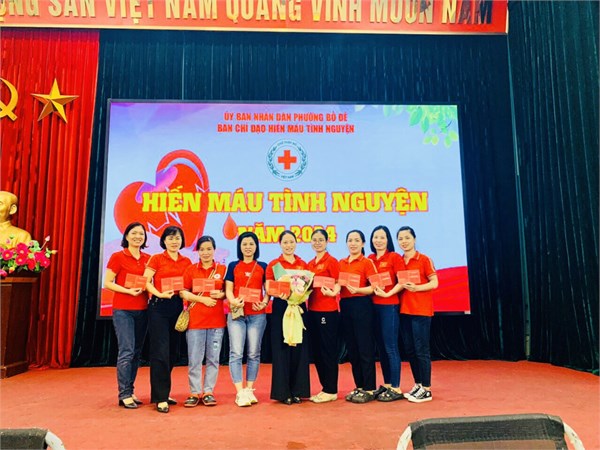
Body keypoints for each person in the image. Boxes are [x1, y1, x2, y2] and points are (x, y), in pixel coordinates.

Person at [143, 226, 192, 413]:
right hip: (159, 307)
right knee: (160, 352)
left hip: (177, 307)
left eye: (177, 238)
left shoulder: (186, 261)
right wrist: (159, 294)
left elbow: (188, 285)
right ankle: (161, 397)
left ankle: (162, 391)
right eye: (170, 238)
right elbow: (146, 281)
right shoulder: (156, 258)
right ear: (163, 240)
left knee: (173, 353)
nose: (174, 241)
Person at [103, 222, 151, 409]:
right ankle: (124, 394)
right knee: (127, 351)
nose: (138, 236)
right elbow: (108, 283)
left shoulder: (148, 259)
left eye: (141, 234)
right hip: (123, 310)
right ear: (126, 236)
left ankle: (130, 390)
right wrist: (128, 291)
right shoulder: (118, 256)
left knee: (136, 352)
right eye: (134, 233)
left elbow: (149, 282)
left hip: (143, 310)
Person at [180, 236, 227, 407]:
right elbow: (183, 292)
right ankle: (194, 392)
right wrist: (202, 300)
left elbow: (228, 292)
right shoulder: (191, 270)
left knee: (213, 359)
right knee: (195, 359)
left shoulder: (222, 269)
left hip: (217, 322)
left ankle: (208, 392)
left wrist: (221, 294)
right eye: (202, 249)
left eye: (209, 249)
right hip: (196, 321)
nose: (206, 252)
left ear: (214, 250)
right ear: (197, 251)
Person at [224, 231, 269, 407]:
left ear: (256, 246)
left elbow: (267, 291)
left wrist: (264, 302)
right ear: (239, 246)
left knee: (253, 353)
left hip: (257, 315)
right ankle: (239, 392)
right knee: (236, 353)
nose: (248, 247)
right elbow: (229, 289)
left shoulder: (263, 266)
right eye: (244, 244)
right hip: (237, 314)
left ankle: (249, 389)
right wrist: (233, 301)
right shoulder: (233, 265)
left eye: (251, 244)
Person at [266, 230, 310, 405]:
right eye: (285, 242)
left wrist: (299, 295)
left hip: (298, 307)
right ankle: (283, 392)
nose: (289, 245)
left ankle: (298, 391)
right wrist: (280, 293)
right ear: (280, 244)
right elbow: (269, 287)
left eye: (291, 242)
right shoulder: (274, 265)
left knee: (299, 348)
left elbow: (308, 287)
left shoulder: (302, 264)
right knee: (281, 348)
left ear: (296, 243)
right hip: (281, 307)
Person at [397, 226, 438, 403]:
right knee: (410, 349)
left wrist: (417, 288)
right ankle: (418, 384)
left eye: (407, 237)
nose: (404, 241)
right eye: (400, 238)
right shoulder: (399, 261)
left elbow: (434, 282)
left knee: (422, 350)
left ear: (414, 239)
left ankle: (427, 389)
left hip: (421, 310)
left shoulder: (424, 259)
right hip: (404, 310)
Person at [338, 229, 378, 404]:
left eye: (356, 240)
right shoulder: (341, 263)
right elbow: (338, 285)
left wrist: (359, 290)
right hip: (346, 306)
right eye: (350, 240)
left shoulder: (367, 262)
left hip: (362, 304)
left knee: (365, 348)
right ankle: (360, 386)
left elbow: (375, 287)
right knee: (352, 349)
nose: (353, 243)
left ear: (363, 243)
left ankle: (369, 388)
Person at [368, 225, 405, 401]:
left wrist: (389, 294)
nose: (378, 240)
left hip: (389, 306)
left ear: (388, 240)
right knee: (381, 348)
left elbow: (402, 281)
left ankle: (396, 387)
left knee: (390, 347)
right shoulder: (370, 259)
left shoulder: (394, 257)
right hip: (373, 307)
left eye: (382, 237)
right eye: (375, 237)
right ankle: (388, 384)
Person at [306, 229, 340, 403]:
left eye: (321, 239)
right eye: (314, 240)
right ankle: (325, 388)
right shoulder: (310, 264)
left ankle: (331, 389)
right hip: (312, 311)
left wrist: (333, 292)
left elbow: (338, 282)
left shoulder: (331, 261)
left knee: (328, 351)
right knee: (318, 352)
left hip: (327, 311)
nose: (317, 242)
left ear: (327, 242)